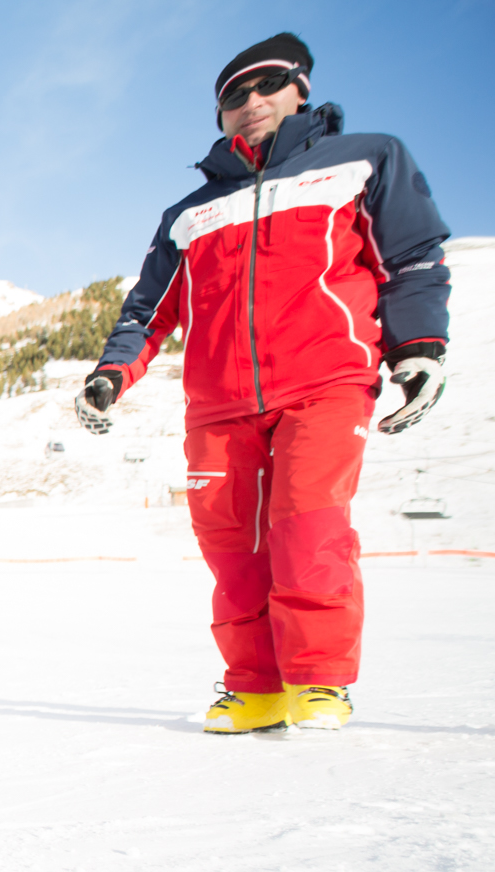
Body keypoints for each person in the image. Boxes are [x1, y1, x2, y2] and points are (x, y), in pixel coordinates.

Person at [75, 33, 451, 735]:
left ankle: (318, 679)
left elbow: (411, 261)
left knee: (308, 528)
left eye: (267, 84)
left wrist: (420, 348)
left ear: (301, 89)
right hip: (217, 403)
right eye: (233, 96)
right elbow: (147, 310)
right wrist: (111, 372)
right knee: (232, 551)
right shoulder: (189, 213)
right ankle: (255, 685)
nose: (250, 102)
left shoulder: (364, 160)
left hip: (325, 380)